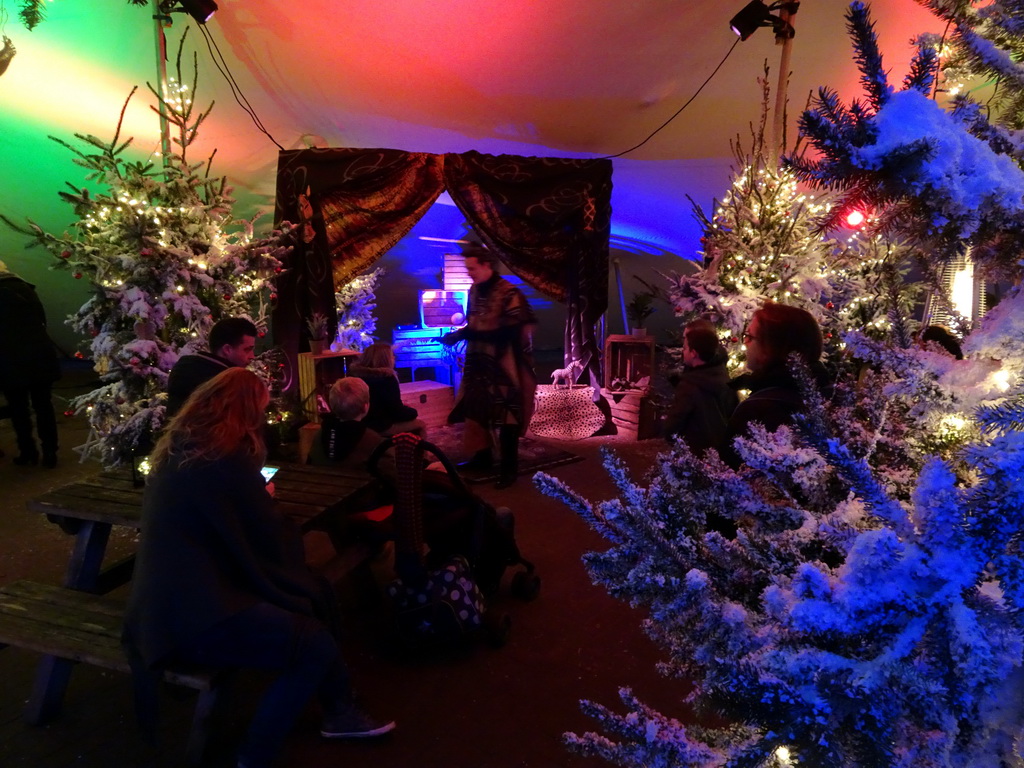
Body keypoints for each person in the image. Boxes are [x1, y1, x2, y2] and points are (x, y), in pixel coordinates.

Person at [123, 368, 394, 768]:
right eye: (262, 412)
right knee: (311, 636)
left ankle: (340, 709)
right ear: (245, 412)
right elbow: (267, 536)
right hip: (194, 617)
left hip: (162, 604)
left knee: (310, 604)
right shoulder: (224, 460)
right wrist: (265, 497)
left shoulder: (183, 450)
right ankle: (257, 753)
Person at [441, 244, 537, 489]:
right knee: (477, 410)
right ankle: (482, 459)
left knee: (507, 416)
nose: (469, 273)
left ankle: (509, 469)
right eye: (467, 268)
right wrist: (459, 335)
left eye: (472, 268)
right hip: (478, 362)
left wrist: (471, 336)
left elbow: (514, 331)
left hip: (505, 364)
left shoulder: (509, 293)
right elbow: (475, 325)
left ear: (487, 265)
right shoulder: (473, 291)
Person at [722, 302, 829, 468]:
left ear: (771, 348)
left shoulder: (761, 408)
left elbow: (732, 476)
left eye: (750, 336)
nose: (745, 343)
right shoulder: (828, 393)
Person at [0, 260, 61, 467]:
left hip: (9, 359)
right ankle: (50, 452)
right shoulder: (27, 288)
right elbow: (42, 320)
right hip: (39, 355)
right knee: (43, 405)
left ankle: (27, 451)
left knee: (19, 408)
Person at [664, 319, 739, 454]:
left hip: (695, 451)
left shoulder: (690, 385)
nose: (683, 350)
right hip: (718, 449)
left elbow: (674, 424)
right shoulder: (720, 373)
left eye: (685, 346)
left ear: (694, 352)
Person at [165, 317, 258, 418]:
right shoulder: (225, 386)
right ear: (227, 350)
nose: (252, 356)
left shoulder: (188, 372)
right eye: (247, 350)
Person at [348, 343, 426, 436]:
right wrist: (413, 412)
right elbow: (397, 413)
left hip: (358, 425)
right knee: (420, 424)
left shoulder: (354, 376)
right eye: (392, 356)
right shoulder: (387, 379)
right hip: (380, 427)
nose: (394, 359)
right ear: (385, 360)